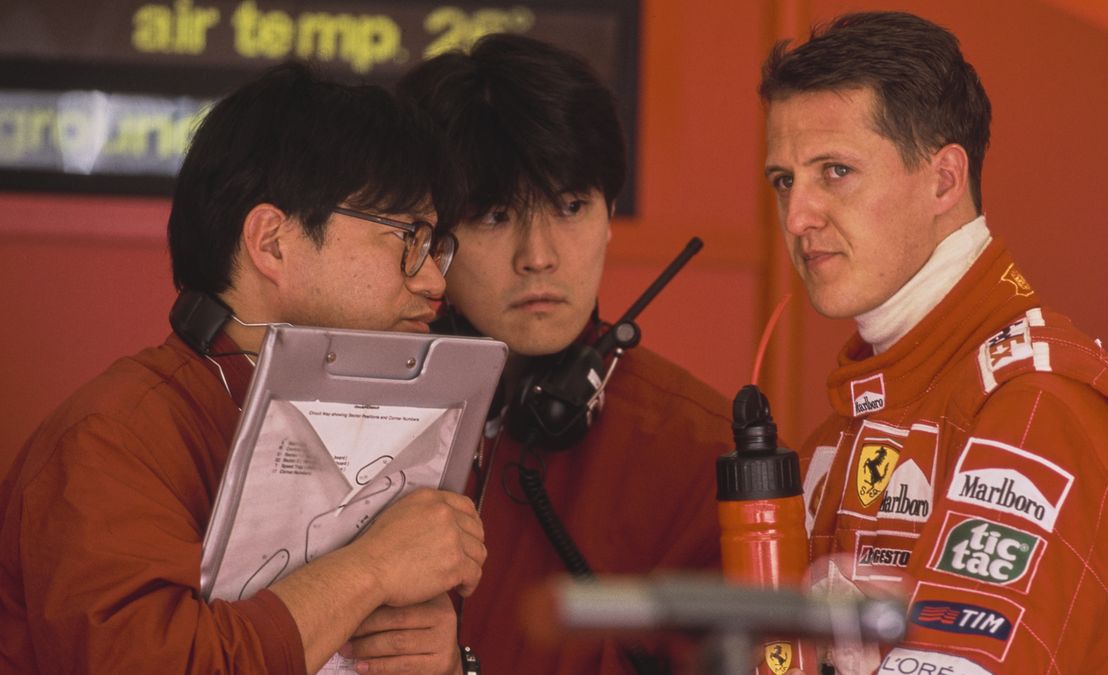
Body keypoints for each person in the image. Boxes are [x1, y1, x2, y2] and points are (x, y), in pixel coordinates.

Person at [0, 63, 485, 674]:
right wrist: (371, 569)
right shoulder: (112, 438)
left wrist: (439, 663)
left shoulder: (374, 425)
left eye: (436, 243)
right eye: (408, 236)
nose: (435, 280)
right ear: (272, 242)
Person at [760, 12, 1108, 674]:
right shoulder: (853, 420)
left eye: (835, 171)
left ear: (945, 180)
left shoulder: (1039, 402)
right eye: (784, 180)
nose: (798, 215)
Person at [399, 34, 733, 674]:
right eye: (495, 216)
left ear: (610, 215)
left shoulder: (699, 451)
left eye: (571, 206)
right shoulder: (346, 413)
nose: (539, 256)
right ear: (429, 235)